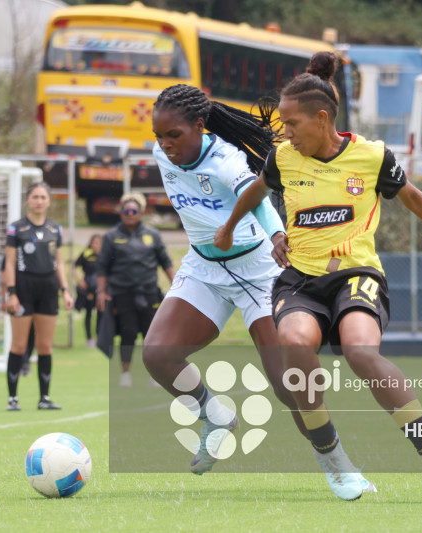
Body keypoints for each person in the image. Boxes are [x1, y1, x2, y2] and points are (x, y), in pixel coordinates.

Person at [215, 52, 422, 500]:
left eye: (292, 124)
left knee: (360, 351)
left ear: (322, 118)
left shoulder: (371, 157)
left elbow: (413, 199)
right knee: (293, 343)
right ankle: (335, 462)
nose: (285, 134)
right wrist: (232, 226)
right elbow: (257, 188)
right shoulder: (284, 158)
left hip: (356, 275)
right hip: (300, 280)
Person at [141, 84, 316, 477]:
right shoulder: (161, 153)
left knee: (288, 386)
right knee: (157, 354)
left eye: (174, 135)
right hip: (204, 268)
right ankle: (216, 417)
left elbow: (258, 195)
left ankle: (336, 460)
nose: (165, 144)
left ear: (199, 126)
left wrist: (275, 235)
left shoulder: (225, 159)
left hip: (257, 270)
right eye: (159, 136)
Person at [4, 182, 74, 411]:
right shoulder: (16, 228)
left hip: (48, 287)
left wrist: (65, 290)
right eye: (35, 196)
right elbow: (10, 263)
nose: (39, 201)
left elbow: (59, 263)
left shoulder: (55, 229)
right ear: (27, 200)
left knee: (45, 345)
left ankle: (44, 398)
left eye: (43, 197)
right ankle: (13, 398)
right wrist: (11, 293)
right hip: (23, 287)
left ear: (49, 201)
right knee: (19, 345)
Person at [96, 193, 174, 387]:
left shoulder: (152, 234)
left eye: (134, 211)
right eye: (126, 211)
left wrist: (177, 286)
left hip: (149, 292)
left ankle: (154, 375)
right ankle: (125, 373)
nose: (130, 214)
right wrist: (101, 292)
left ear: (141, 213)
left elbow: (165, 262)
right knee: (128, 332)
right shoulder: (112, 236)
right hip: (123, 293)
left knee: (152, 334)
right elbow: (102, 267)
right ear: (121, 212)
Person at [75, 234, 102, 348]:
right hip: (88, 290)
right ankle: (89, 338)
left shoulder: (105, 255)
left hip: (100, 290)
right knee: (89, 313)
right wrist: (79, 281)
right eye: (93, 242)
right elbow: (74, 267)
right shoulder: (86, 254)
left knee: (101, 314)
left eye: (98, 243)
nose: (95, 245)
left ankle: (100, 337)